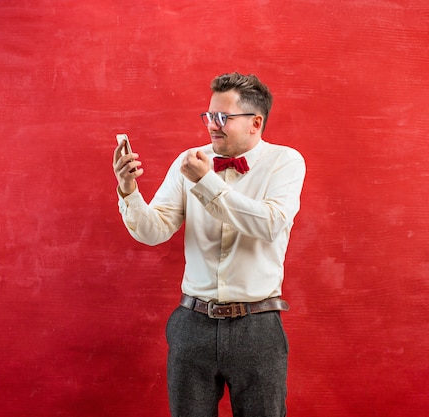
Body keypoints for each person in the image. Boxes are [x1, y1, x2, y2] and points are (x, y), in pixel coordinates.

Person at [112, 72, 306, 417]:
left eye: (222, 118)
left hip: (257, 326)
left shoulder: (285, 162)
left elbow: (268, 224)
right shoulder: (190, 161)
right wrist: (129, 191)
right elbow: (154, 230)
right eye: (208, 116)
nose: (211, 126)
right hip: (192, 322)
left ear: (255, 122)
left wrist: (206, 182)